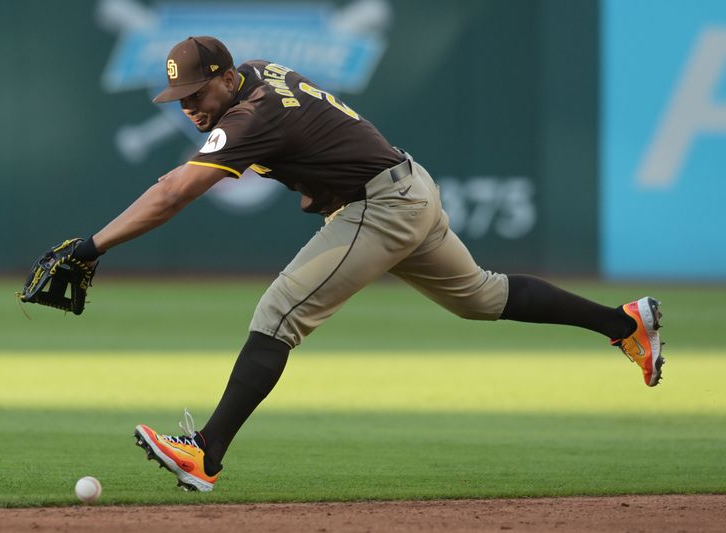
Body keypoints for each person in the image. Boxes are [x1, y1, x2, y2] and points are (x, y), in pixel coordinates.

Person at [68, 36, 664, 492]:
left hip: (378, 204)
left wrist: (91, 247)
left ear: (226, 79)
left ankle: (205, 452)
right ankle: (626, 323)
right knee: (482, 297)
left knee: (279, 312)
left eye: (198, 94)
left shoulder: (250, 114)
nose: (189, 108)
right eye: (179, 99)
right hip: (408, 187)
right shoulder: (254, 77)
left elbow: (174, 192)